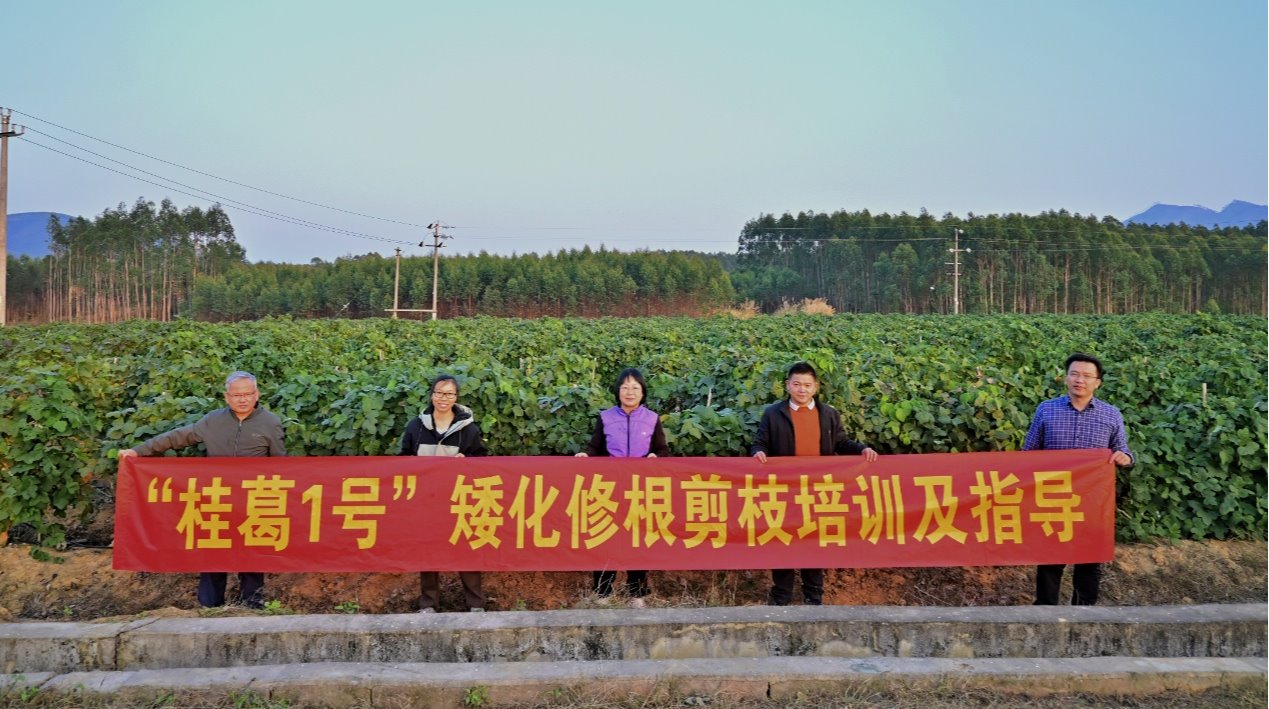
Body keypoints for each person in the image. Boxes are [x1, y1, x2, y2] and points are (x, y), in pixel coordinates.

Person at [117, 371, 286, 609]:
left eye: (248, 394)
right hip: (216, 499)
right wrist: (138, 451)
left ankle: (252, 604)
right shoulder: (213, 421)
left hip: (251, 501)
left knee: (251, 553)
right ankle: (210, 607)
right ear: (227, 397)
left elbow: (281, 465)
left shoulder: (270, 423)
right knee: (213, 552)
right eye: (237, 395)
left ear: (257, 394)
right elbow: (178, 437)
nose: (243, 399)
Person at [751, 361, 877, 606]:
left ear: (815, 387)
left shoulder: (828, 414)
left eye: (807, 385)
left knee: (815, 540)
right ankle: (781, 596)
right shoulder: (773, 414)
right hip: (785, 489)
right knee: (783, 539)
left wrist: (862, 449)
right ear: (787, 385)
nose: (802, 389)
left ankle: (814, 595)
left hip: (818, 490)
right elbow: (760, 442)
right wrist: (758, 452)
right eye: (797, 384)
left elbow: (841, 443)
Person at [1024, 352, 1134, 606]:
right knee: (1050, 561)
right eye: (1074, 374)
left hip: (1092, 502)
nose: (1079, 380)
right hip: (1054, 499)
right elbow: (1028, 453)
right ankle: (1045, 613)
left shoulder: (1111, 415)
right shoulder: (1047, 410)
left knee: (1089, 562)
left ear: (1098, 382)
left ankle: (1084, 614)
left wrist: (1125, 457)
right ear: (1065, 378)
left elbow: (1124, 451)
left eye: (1086, 376)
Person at [575, 367, 670, 608]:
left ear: (642, 392)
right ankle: (603, 591)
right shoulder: (606, 417)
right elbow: (595, 448)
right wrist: (586, 455)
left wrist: (655, 457)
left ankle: (636, 592)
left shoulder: (652, 418)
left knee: (638, 540)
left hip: (640, 489)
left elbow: (662, 450)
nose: (630, 392)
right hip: (610, 489)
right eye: (625, 387)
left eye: (635, 388)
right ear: (617, 391)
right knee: (605, 537)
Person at [399, 374, 489, 612]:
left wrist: (466, 459)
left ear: (456, 397)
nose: (443, 398)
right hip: (425, 500)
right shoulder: (416, 426)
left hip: (459, 499)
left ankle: (476, 603)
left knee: (466, 548)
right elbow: (403, 458)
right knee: (427, 550)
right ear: (432, 395)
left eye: (449, 394)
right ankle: (428, 603)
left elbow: (481, 460)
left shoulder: (469, 430)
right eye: (439, 393)